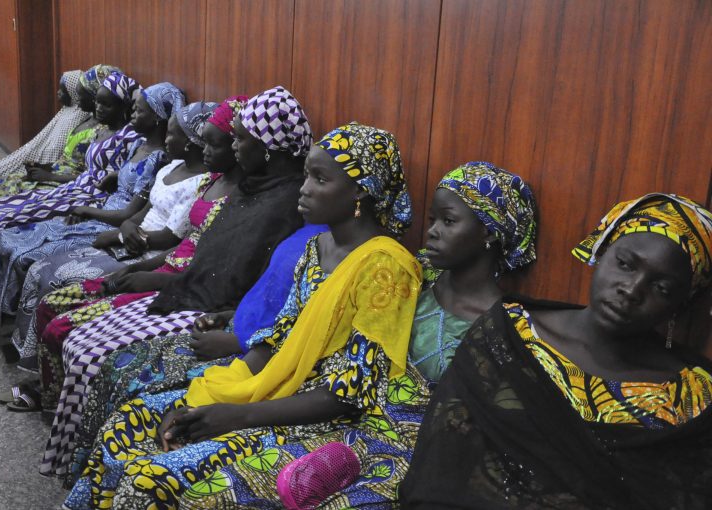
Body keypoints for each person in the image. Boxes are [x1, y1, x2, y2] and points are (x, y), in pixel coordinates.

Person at [63, 121, 419, 510]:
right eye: (306, 175)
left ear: (360, 191)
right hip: (273, 385)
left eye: (320, 179)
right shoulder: (317, 247)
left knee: (151, 479)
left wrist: (238, 415)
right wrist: (221, 392)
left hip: (318, 416)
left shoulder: (386, 269)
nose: (304, 188)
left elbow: (351, 393)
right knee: (128, 423)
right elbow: (281, 333)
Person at [177, 161, 538, 509]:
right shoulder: (410, 278)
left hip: (410, 451)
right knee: (207, 489)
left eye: (448, 221)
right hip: (344, 417)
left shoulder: (504, 326)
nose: (432, 231)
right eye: (431, 220)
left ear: (489, 231)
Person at [40, 86, 311, 477]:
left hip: (212, 310)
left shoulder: (285, 206)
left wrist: (220, 319)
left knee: (100, 358)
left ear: (268, 148)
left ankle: (82, 467)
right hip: (195, 293)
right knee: (81, 341)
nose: (232, 148)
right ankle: (71, 459)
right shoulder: (251, 189)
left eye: (239, 139)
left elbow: (243, 284)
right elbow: (203, 256)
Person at [400, 193, 712, 509]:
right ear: (601, 251)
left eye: (662, 288)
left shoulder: (694, 395)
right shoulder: (511, 334)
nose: (632, 290)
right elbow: (444, 461)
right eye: (625, 264)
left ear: (680, 305)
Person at [8, 100, 224, 370]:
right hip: (134, 239)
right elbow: (138, 213)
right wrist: (125, 229)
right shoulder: (170, 169)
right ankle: (28, 354)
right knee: (40, 268)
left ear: (192, 142)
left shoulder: (200, 184)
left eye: (172, 133)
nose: (167, 139)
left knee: (57, 281)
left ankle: (42, 370)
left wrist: (122, 235)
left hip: (148, 252)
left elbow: (171, 239)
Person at [0, 82, 183, 316]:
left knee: (27, 254)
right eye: (133, 108)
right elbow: (127, 175)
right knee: (8, 236)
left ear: (157, 117)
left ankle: (9, 314)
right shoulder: (138, 144)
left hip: (109, 220)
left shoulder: (160, 160)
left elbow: (129, 214)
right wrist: (114, 175)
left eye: (140, 110)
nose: (132, 114)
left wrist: (85, 210)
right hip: (104, 210)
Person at [0, 71, 141, 264]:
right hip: (74, 187)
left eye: (107, 104)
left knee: (4, 218)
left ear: (123, 106)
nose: (99, 108)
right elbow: (88, 171)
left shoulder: (131, 138)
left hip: (93, 197)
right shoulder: (103, 129)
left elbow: (125, 180)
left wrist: (88, 194)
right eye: (98, 102)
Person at [0, 68, 103, 243]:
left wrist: (50, 174)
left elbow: (94, 176)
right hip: (54, 172)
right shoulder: (78, 118)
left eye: (82, 94)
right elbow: (61, 154)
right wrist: (45, 166)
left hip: (65, 181)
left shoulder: (100, 132)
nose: (78, 96)